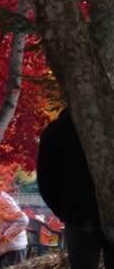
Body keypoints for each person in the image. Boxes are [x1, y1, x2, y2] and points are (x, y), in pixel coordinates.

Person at [38, 108, 114, 269]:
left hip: (78, 212)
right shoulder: (108, 123)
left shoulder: (55, 131)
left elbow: (46, 180)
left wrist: (64, 211)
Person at [0, 190, 29, 267]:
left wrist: (4, 238)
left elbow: (23, 220)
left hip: (12, 249)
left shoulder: (2, 198)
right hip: (2, 249)